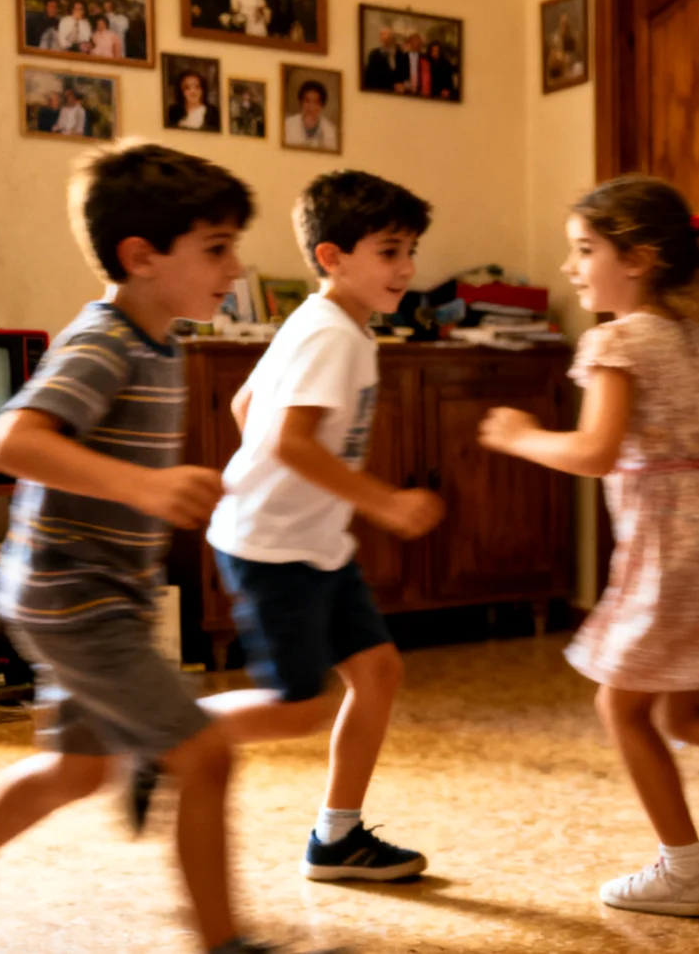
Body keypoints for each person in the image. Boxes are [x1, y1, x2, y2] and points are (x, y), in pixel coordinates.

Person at [0, 143, 289, 954]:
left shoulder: (161, 341)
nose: (235, 267)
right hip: (72, 598)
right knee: (206, 755)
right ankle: (225, 943)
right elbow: (11, 439)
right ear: (141, 257)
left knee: (78, 769)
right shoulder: (104, 341)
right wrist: (144, 486)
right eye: (217, 248)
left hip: (95, 595)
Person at [478, 176, 699, 918]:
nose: (571, 267)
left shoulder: (615, 341)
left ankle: (683, 870)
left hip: (667, 554)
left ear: (637, 259)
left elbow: (596, 451)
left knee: (622, 708)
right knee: (679, 715)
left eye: (585, 250)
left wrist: (520, 437)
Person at [196, 170, 443, 883]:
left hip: (311, 543)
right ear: (331, 256)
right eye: (390, 252)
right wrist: (383, 502)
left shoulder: (323, 323)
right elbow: (289, 442)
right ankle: (161, 735)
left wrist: (286, 488)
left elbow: (246, 407)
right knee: (296, 708)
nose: (407, 268)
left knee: (378, 671)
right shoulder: (332, 336)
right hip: (274, 548)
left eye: (410, 251)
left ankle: (337, 838)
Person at [284, 80, 338, 152]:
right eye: (307, 101)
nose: (311, 107)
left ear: (322, 106)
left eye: (316, 102)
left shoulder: (330, 130)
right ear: (301, 103)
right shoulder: (288, 125)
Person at [363, 27, 405, 92]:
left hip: (398, 94)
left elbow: (404, 74)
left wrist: (403, 85)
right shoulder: (374, 54)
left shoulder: (401, 55)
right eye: (382, 35)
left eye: (387, 36)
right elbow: (370, 77)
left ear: (393, 38)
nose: (384, 38)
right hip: (379, 91)